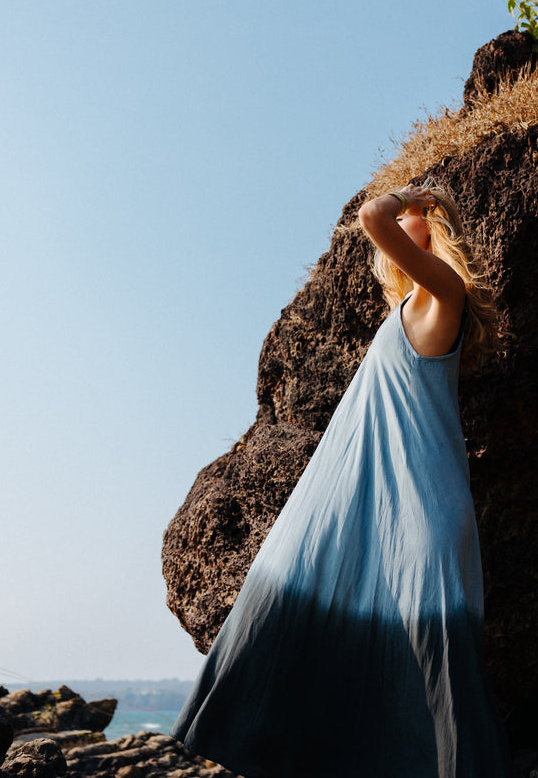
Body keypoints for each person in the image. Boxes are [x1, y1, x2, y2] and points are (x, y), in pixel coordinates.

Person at [171, 182, 511, 778]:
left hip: (424, 509)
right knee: (338, 630)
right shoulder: (411, 309)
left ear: (439, 232)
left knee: (440, 672)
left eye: (422, 217)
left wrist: (414, 192)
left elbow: (371, 216)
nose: (409, 219)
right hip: (394, 503)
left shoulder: (444, 295)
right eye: (410, 214)